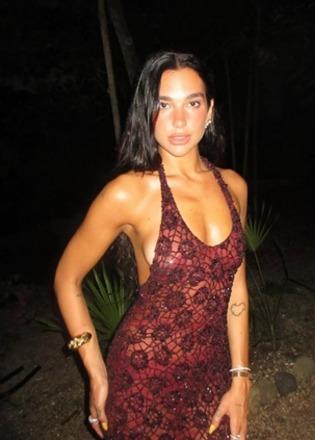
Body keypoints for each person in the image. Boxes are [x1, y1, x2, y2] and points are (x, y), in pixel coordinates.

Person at [54, 51, 251, 439]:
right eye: (163, 104)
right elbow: (66, 278)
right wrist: (95, 370)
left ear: (210, 111)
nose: (179, 120)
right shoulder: (129, 192)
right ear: (147, 112)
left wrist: (241, 376)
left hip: (212, 373)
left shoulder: (235, 187)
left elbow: (236, 289)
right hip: (141, 378)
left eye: (192, 103)